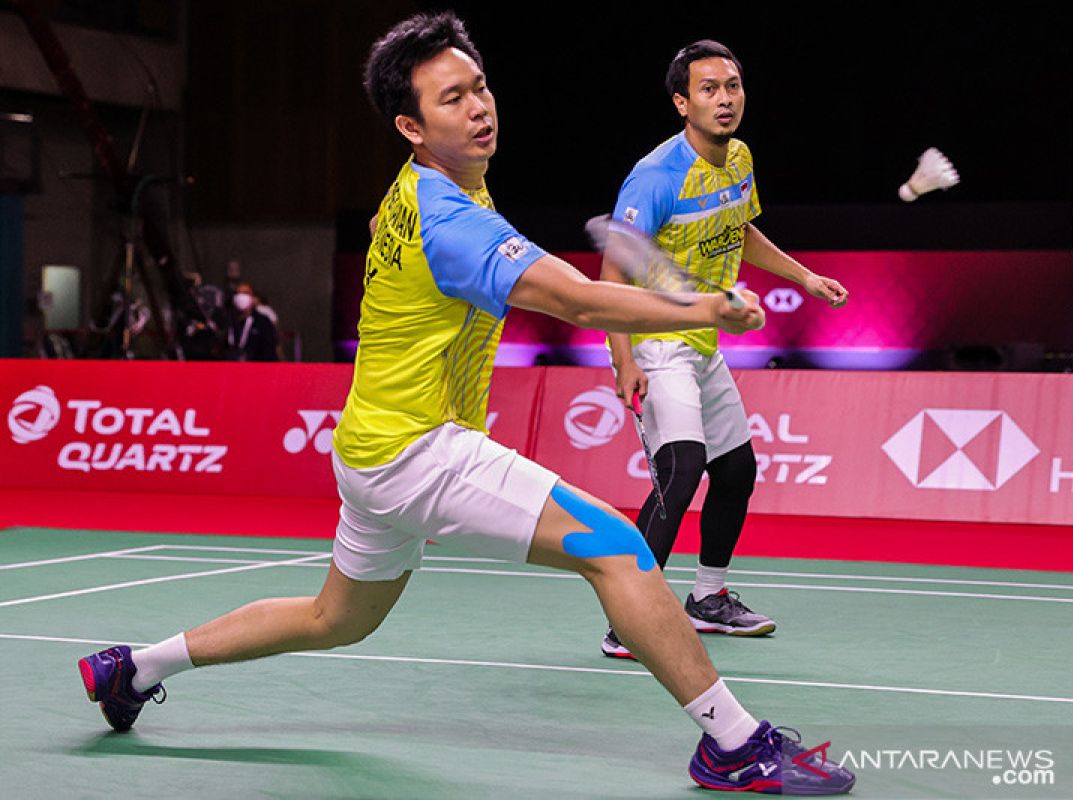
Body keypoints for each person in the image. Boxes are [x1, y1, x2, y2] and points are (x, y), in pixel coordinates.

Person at [75, 13, 854, 796]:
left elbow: (394, 224)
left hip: (370, 447)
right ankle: (733, 745)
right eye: (454, 98)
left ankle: (131, 669)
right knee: (618, 547)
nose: (480, 106)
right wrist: (704, 310)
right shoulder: (453, 221)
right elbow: (579, 303)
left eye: (480, 87)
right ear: (412, 125)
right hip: (418, 448)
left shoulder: (427, 188)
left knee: (334, 620)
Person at [598, 40, 848, 659]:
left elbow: (740, 229)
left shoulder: (738, 159)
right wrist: (622, 359)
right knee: (681, 470)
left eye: (732, 86)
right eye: (709, 89)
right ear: (682, 102)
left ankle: (708, 598)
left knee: (736, 471)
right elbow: (611, 276)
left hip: (703, 341)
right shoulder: (656, 175)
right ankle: (629, 619)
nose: (725, 99)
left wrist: (804, 277)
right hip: (657, 341)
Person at [227, 280, 279, 361]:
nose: (241, 297)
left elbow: (270, 351)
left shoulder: (263, 322)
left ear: (253, 298)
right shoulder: (227, 321)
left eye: (245, 293)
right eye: (238, 293)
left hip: (256, 367)